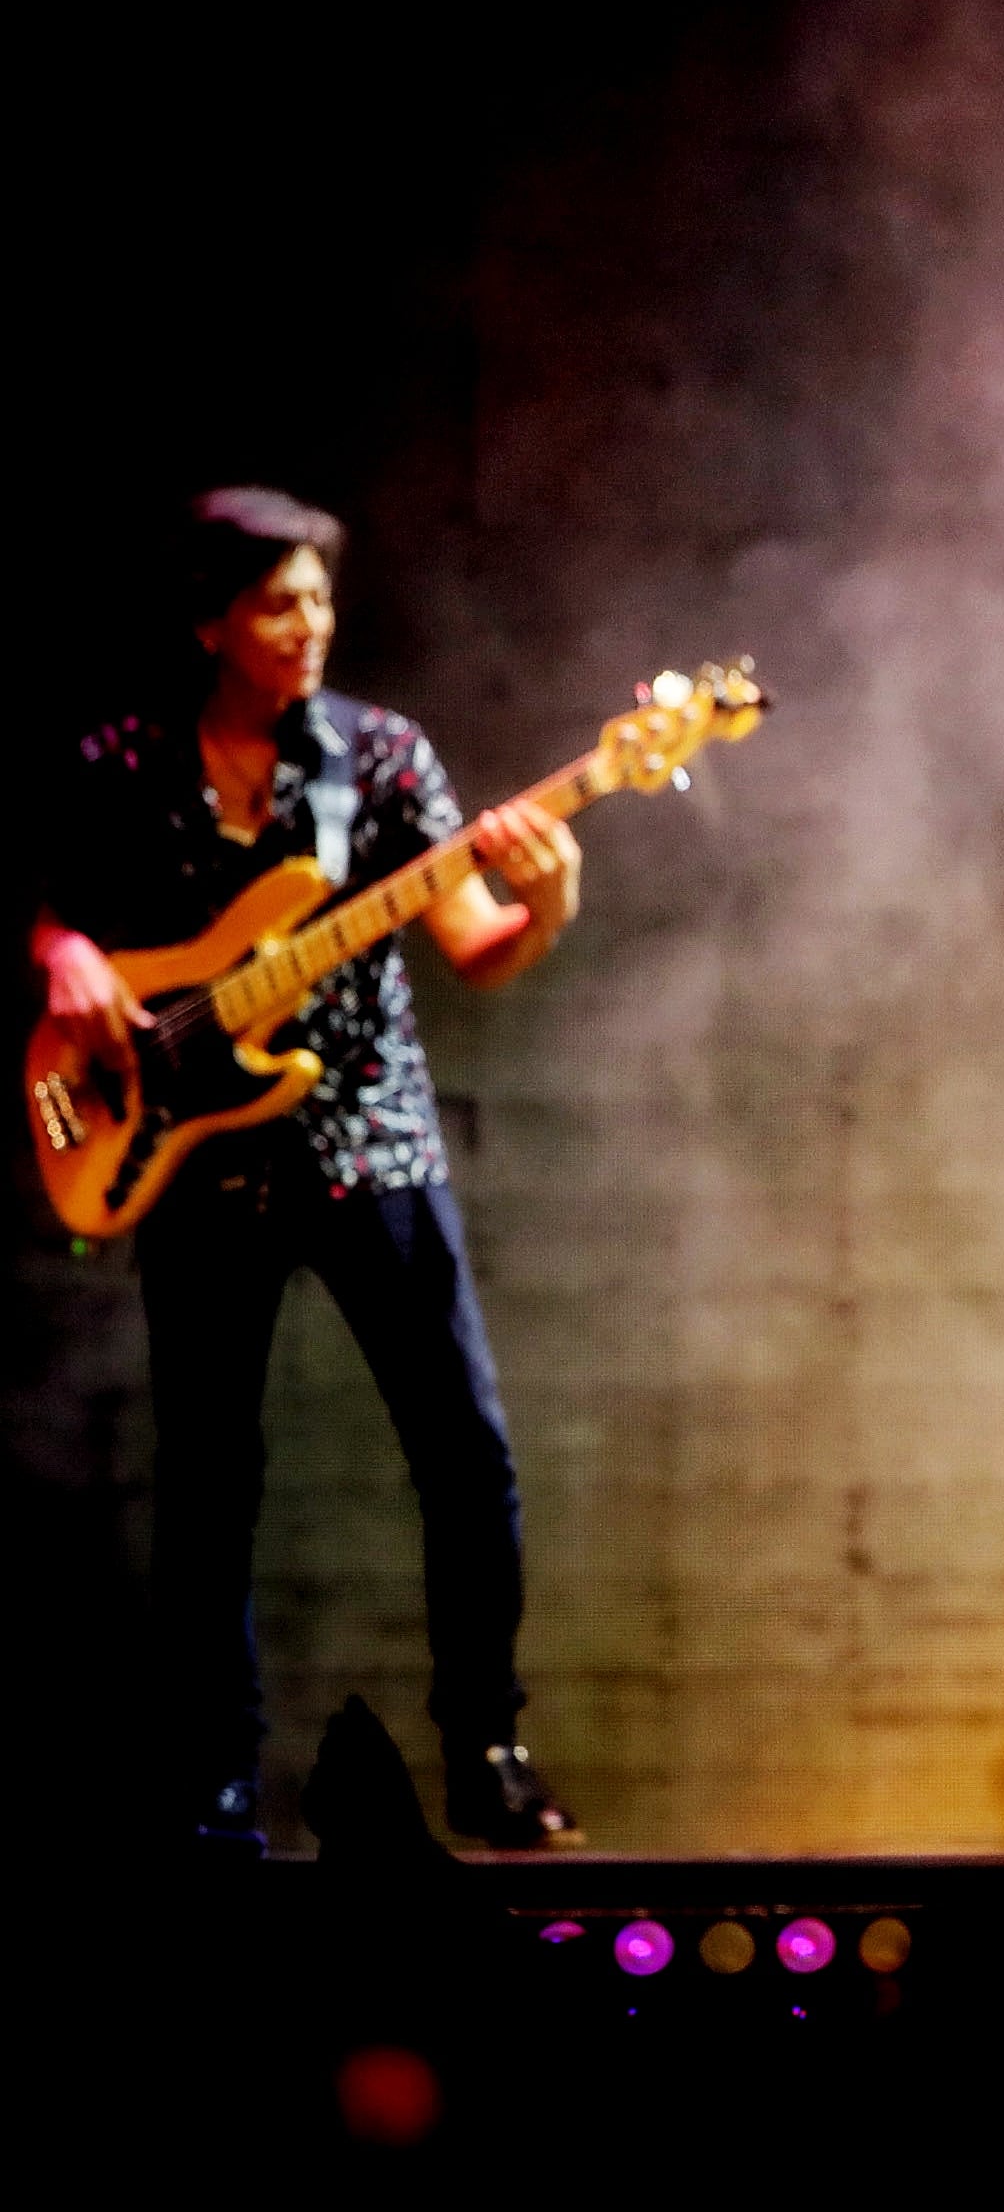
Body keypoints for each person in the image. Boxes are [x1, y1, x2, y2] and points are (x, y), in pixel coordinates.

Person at [27, 488, 586, 1853]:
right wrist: (66, 954)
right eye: (279, 602)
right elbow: (47, 910)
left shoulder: (382, 758)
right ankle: (215, 1776)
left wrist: (551, 898)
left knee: (464, 1449)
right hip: (191, 1150)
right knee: (210, 1479)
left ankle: (488, 1749)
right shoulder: (123, 760)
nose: (310, 624)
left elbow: (477, 943)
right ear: (211, 621)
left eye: (321, 598)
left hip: (368, 1136)